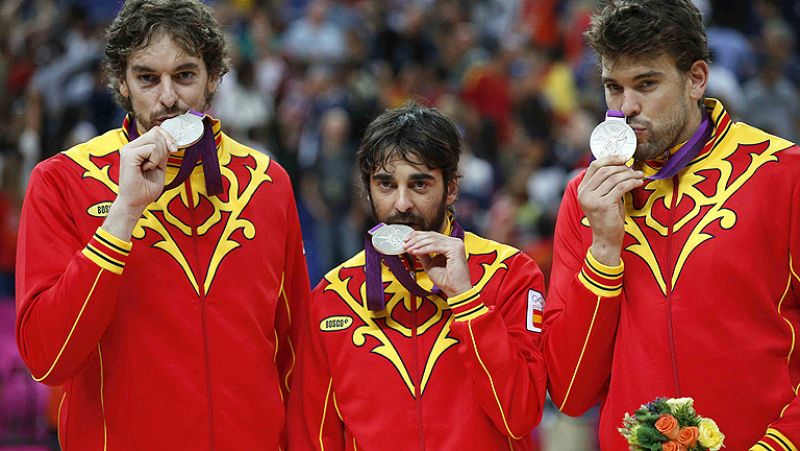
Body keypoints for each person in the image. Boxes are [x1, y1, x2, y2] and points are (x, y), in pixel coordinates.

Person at [15, 0, 309, 449]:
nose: (168, 98)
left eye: (185, 76)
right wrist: (123, 213)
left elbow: (296, 356)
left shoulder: (269, 183)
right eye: (147, 78)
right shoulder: (61, 181)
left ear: (213, 78)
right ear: (121, 83)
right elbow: (45, 359)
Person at [542, 1, 800, 450]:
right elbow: (570, 390)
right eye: (613, 88)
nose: (626, 108)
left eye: (646, 84)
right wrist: (603, 249)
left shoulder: (784, 174)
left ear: (695, 79)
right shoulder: (586, 200)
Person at [287, 103, 548, 450]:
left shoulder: (510, 273)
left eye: (419, 184)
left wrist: (467, 301)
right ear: (367, 190)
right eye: (385, 184)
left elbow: (521, 414)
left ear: (451, 189)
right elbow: (314, 438)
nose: (402, 203)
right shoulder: (332, 297)